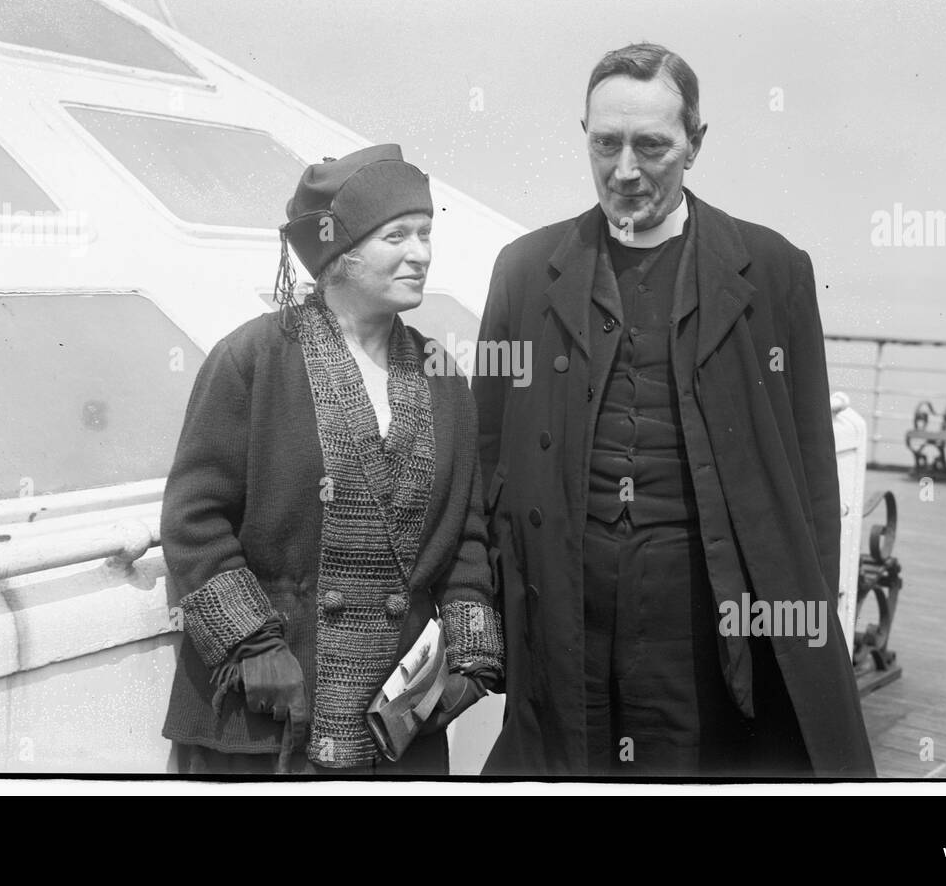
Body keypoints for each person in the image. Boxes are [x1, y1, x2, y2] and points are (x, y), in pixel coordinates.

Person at [473, 43, 875, 778]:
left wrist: (804, 632)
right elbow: (486, 454)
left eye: (652, 145)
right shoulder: (525, 272)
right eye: (606, 144)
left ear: (696, 143)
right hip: (566, 617)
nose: (625, 170)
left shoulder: (775, 269)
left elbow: (813, 478)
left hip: (707, 622)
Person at [160, 144, 503, 775]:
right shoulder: (252, 360)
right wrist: (252, 645)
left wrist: (470, 657)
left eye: (426, 233)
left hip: (400, 730)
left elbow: (468, 538)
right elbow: (193, 519)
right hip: (267, 721)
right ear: (339, 255)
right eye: (397, 235)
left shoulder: (442, 377)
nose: (421, 253)